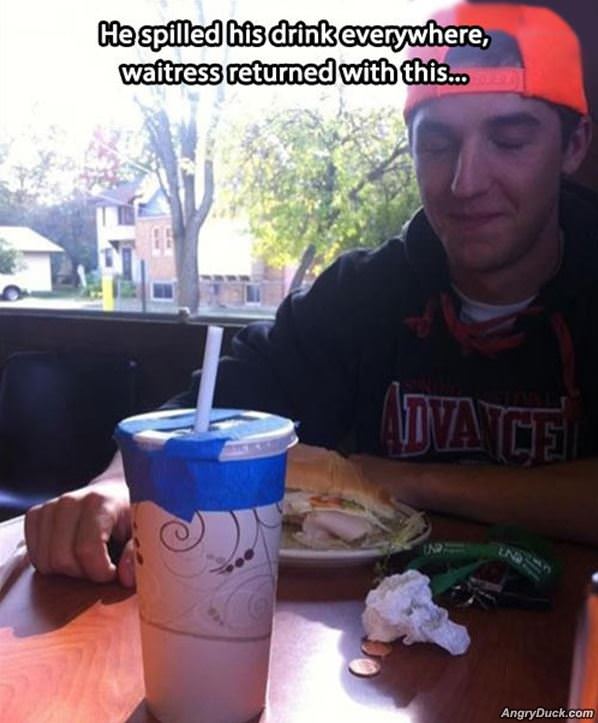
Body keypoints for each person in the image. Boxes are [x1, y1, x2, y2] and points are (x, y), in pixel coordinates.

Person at [25, 3, 598, 587]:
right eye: (437, 144)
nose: (465, 181)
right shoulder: (365, 291)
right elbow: (221, 400)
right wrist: (119, 483)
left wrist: (410, 480)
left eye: (509, 141)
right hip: (382, 624)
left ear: (574, 145)